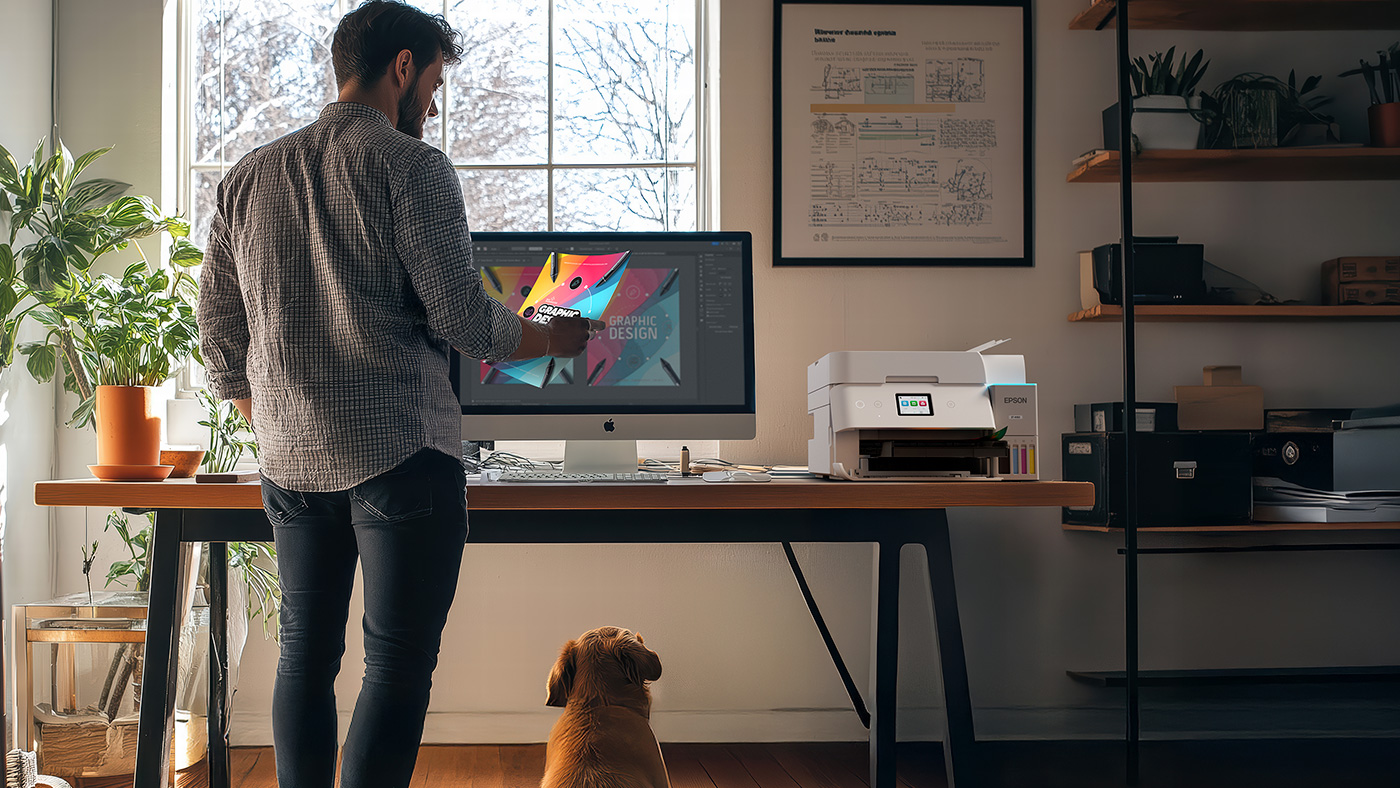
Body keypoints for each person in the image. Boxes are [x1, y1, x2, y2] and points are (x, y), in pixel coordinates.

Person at [196, 2, 600, 786]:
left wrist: (278, 420)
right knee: (397, 662)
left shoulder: (247, 176)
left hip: (292, 468)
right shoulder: (413, 167)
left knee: (305, 652)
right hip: (401, 460)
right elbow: (461, 317)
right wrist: (551, 339)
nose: (436, 104)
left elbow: (218, 333)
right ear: (404, 66)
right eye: (436, 81)